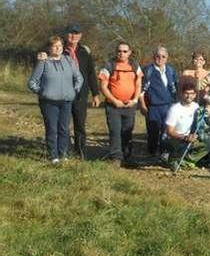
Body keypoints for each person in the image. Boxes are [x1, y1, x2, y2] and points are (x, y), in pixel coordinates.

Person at [28, 36, 83, 163]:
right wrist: (43, 92)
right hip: (49, 103)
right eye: (55, 46)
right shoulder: (43, 62)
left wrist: (74, 90)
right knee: (52, 129)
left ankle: (63, 154)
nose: (58, 48)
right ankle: (53, 156)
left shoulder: (69, 61)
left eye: (60, 46)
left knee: (64, 129)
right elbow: (32, 82)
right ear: (49, 48)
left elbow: (79, 78)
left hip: (66, 101)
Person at [98, 41, 143, 166]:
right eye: (119, 51)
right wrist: (115, 101)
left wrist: (134, 100)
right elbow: (103, 87)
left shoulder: (135, 65)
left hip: (130, 105)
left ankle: (127, 156)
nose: (121, 53)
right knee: (115, 131)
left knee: (127, 131)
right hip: (113, 106)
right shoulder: (109, 65)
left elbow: (139, 84)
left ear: (129, 53)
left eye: (124, 51)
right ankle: (116, 158)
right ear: (116, 52)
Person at [61, 24, 101, 159]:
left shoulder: (85, 52)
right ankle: (64, 151)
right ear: (66, 34)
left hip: (80, 94)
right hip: (63, 93)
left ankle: (80, 152)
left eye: (76, 34)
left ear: (80, 36)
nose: (73, 36)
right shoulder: (58, 49)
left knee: (80, 124)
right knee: (63, 124)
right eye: (71, 33)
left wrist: (95, 94)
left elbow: (91, 74)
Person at [164, 77, 210, 170]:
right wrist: (184, 137)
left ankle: (187, 161)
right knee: (181, 144)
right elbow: (169, 131)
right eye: (186, 93)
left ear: (195, 95)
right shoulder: (174, 109)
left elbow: (199, 123)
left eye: (192, 94)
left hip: (191, 137)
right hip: (177, 138)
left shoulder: (196, 107)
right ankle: (171, 159)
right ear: (181, 94)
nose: (189, 96)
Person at [140, 46, 178, 161]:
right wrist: (142, 105)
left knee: (166, 132)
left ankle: (163, 154)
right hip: (153, 107)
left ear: (167, 58)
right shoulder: (148, 70)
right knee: (153, 132)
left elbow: (175, 88)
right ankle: (151, 154)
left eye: (163, 56)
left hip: (168, 106)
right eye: (157, 56)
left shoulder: (171, 71)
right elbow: (141, 90)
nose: (160, 58)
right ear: (154, 57)